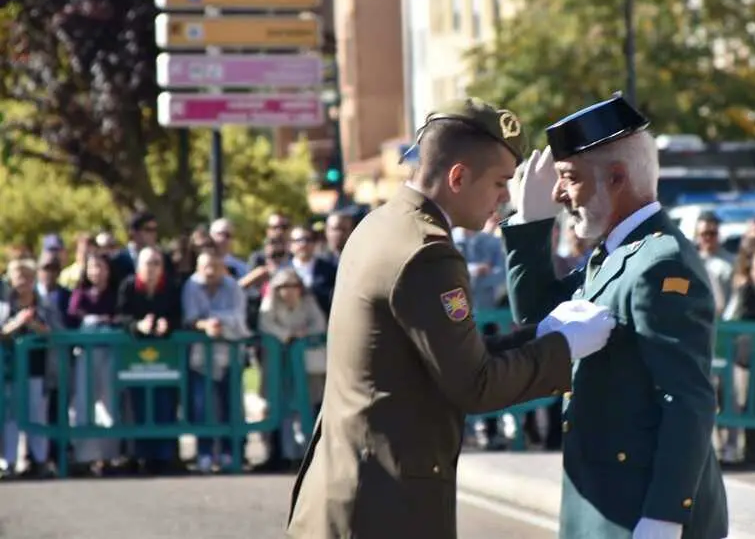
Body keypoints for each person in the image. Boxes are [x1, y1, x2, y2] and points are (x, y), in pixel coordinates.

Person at [286, 98, 615, 539]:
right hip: (384, 508)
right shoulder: (428, 253)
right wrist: (563, 349)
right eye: (500, 183)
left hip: (351, 491)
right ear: (458, 177)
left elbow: (446, 354)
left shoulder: (381, 223)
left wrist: (541, 334)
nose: (504, 198)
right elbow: (474, 383)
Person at [502, 95, 728, 539]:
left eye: (569, 178)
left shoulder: (661, 263)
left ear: (617, 178)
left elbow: (687, 400)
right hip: (608, 504)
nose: (559, 193)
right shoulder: (616, 254)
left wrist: (665, 515)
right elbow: (536, 318)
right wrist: (530, 223)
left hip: (639, 508)